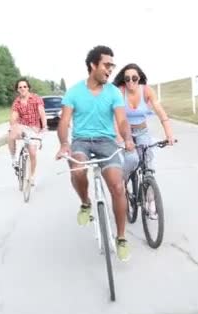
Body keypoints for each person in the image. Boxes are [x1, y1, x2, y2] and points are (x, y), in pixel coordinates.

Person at [55, 45, 135, 262]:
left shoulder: (113, 93)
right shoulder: (73, 91)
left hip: (106, 141)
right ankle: (85, 202)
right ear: (93, 65)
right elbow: (64, 122)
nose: (110, 70)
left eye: (112, 65)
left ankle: (120, 238)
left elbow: (121, 120)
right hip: (81, 141)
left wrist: (127, 138)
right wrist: (64, 143)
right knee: (78, 170)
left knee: (118, 187)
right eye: (107, 65)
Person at [112, 63, 175, 219]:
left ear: (139, 78)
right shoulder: (120, 92)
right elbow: (115, 117)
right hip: (125, 132)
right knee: (132, 159)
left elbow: (160, 111)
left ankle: (151, 203)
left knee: (149, 165)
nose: (131, 82)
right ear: (124, 80)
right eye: (127, 79)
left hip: (142, 131)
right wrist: (121, 139)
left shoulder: (146, 90)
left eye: (134, 78)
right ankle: (123, 185)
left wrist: (169, 134)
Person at [8, 77, 48, 186]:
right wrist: (13, 124)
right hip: (23, 128)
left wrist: (44, 127)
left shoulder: (36, 98)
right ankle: (14, 159)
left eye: (24, 86)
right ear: (17, 89)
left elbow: (42, 113)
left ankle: (32, 176)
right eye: (20, 87)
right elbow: (14, 117)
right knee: (11, 132)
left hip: (34, 128)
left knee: (33, 153)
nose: (22, 89)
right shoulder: (17, 102)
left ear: (28, 88)